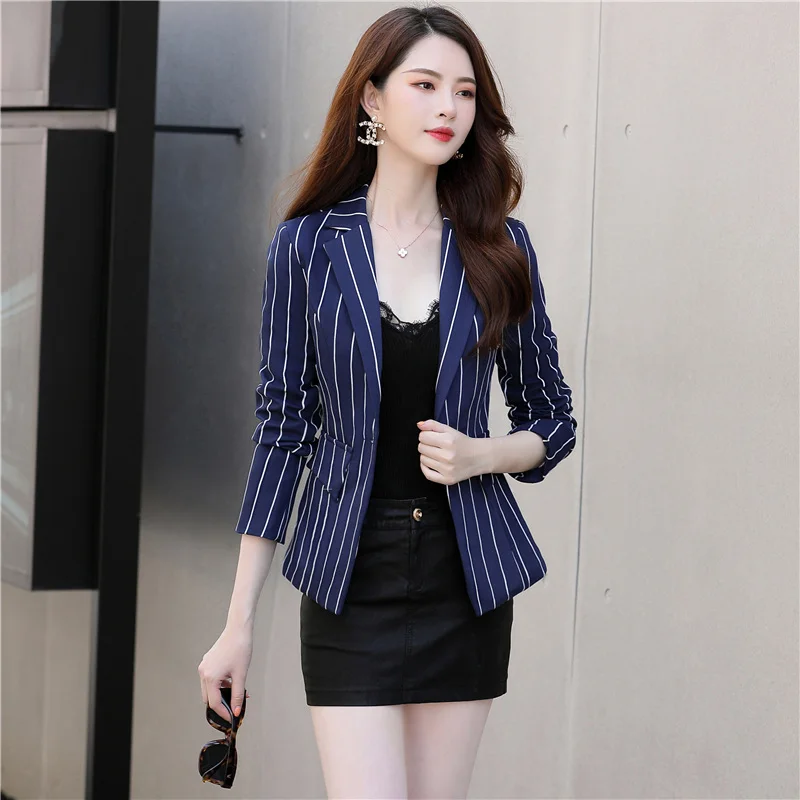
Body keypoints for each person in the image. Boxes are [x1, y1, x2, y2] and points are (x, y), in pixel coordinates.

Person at [198, 5, 577, 798]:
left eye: (465, 92)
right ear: (372, 98)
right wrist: (237, 625)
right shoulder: (308, 246)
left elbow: (551, 419)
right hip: (349, 576)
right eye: (425, 85)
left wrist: (483, 454)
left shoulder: (501, 247)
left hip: (465, 579)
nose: (449, 107)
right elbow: (283, 431)